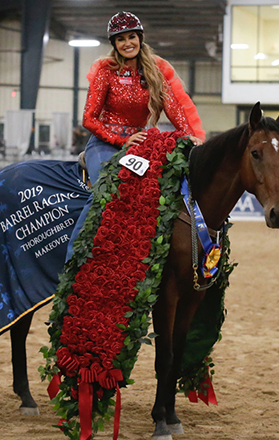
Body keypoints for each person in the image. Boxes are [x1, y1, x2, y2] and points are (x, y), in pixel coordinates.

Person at [65, 11, 205, 261]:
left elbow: (173, 108)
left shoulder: (155, 72)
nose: (127, 43)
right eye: (121, 39)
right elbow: (89, 119)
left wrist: (190, 135)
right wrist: (120, 140)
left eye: (132, 37)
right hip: (105, 143)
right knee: (104, 192)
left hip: (139, 142)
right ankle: (73, 260)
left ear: (140, 39)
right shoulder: (105, 72)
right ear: (114, 45)